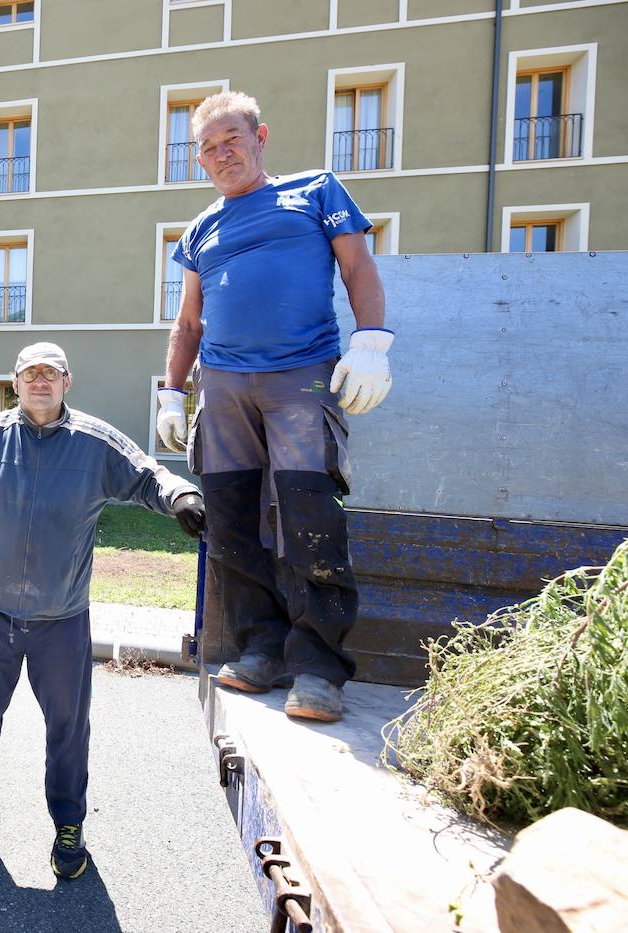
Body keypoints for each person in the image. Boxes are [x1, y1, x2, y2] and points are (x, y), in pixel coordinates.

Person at [156, 90, 394, 723]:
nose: (221, 153)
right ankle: (260, 648)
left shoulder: (315, 191)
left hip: (302, 377)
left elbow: (357, 268)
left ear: (260, 137)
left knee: (310, 513)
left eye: (231, 139)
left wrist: (372, 342)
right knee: (231, 518)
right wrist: (171, 391)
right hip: (223, 386)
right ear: (199, 160)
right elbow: (188, 321)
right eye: (208, 147)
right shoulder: (200, 229)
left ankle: (318, 668)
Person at [0, 342, 205, 878]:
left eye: (51, 373)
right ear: (15, 383)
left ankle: (68, 823)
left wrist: (180, 496)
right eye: (30, 373)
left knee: (67, 727)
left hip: (61, 620)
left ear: (68, 382)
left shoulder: (93, 441)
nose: (40, 381)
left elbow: (147, 473)